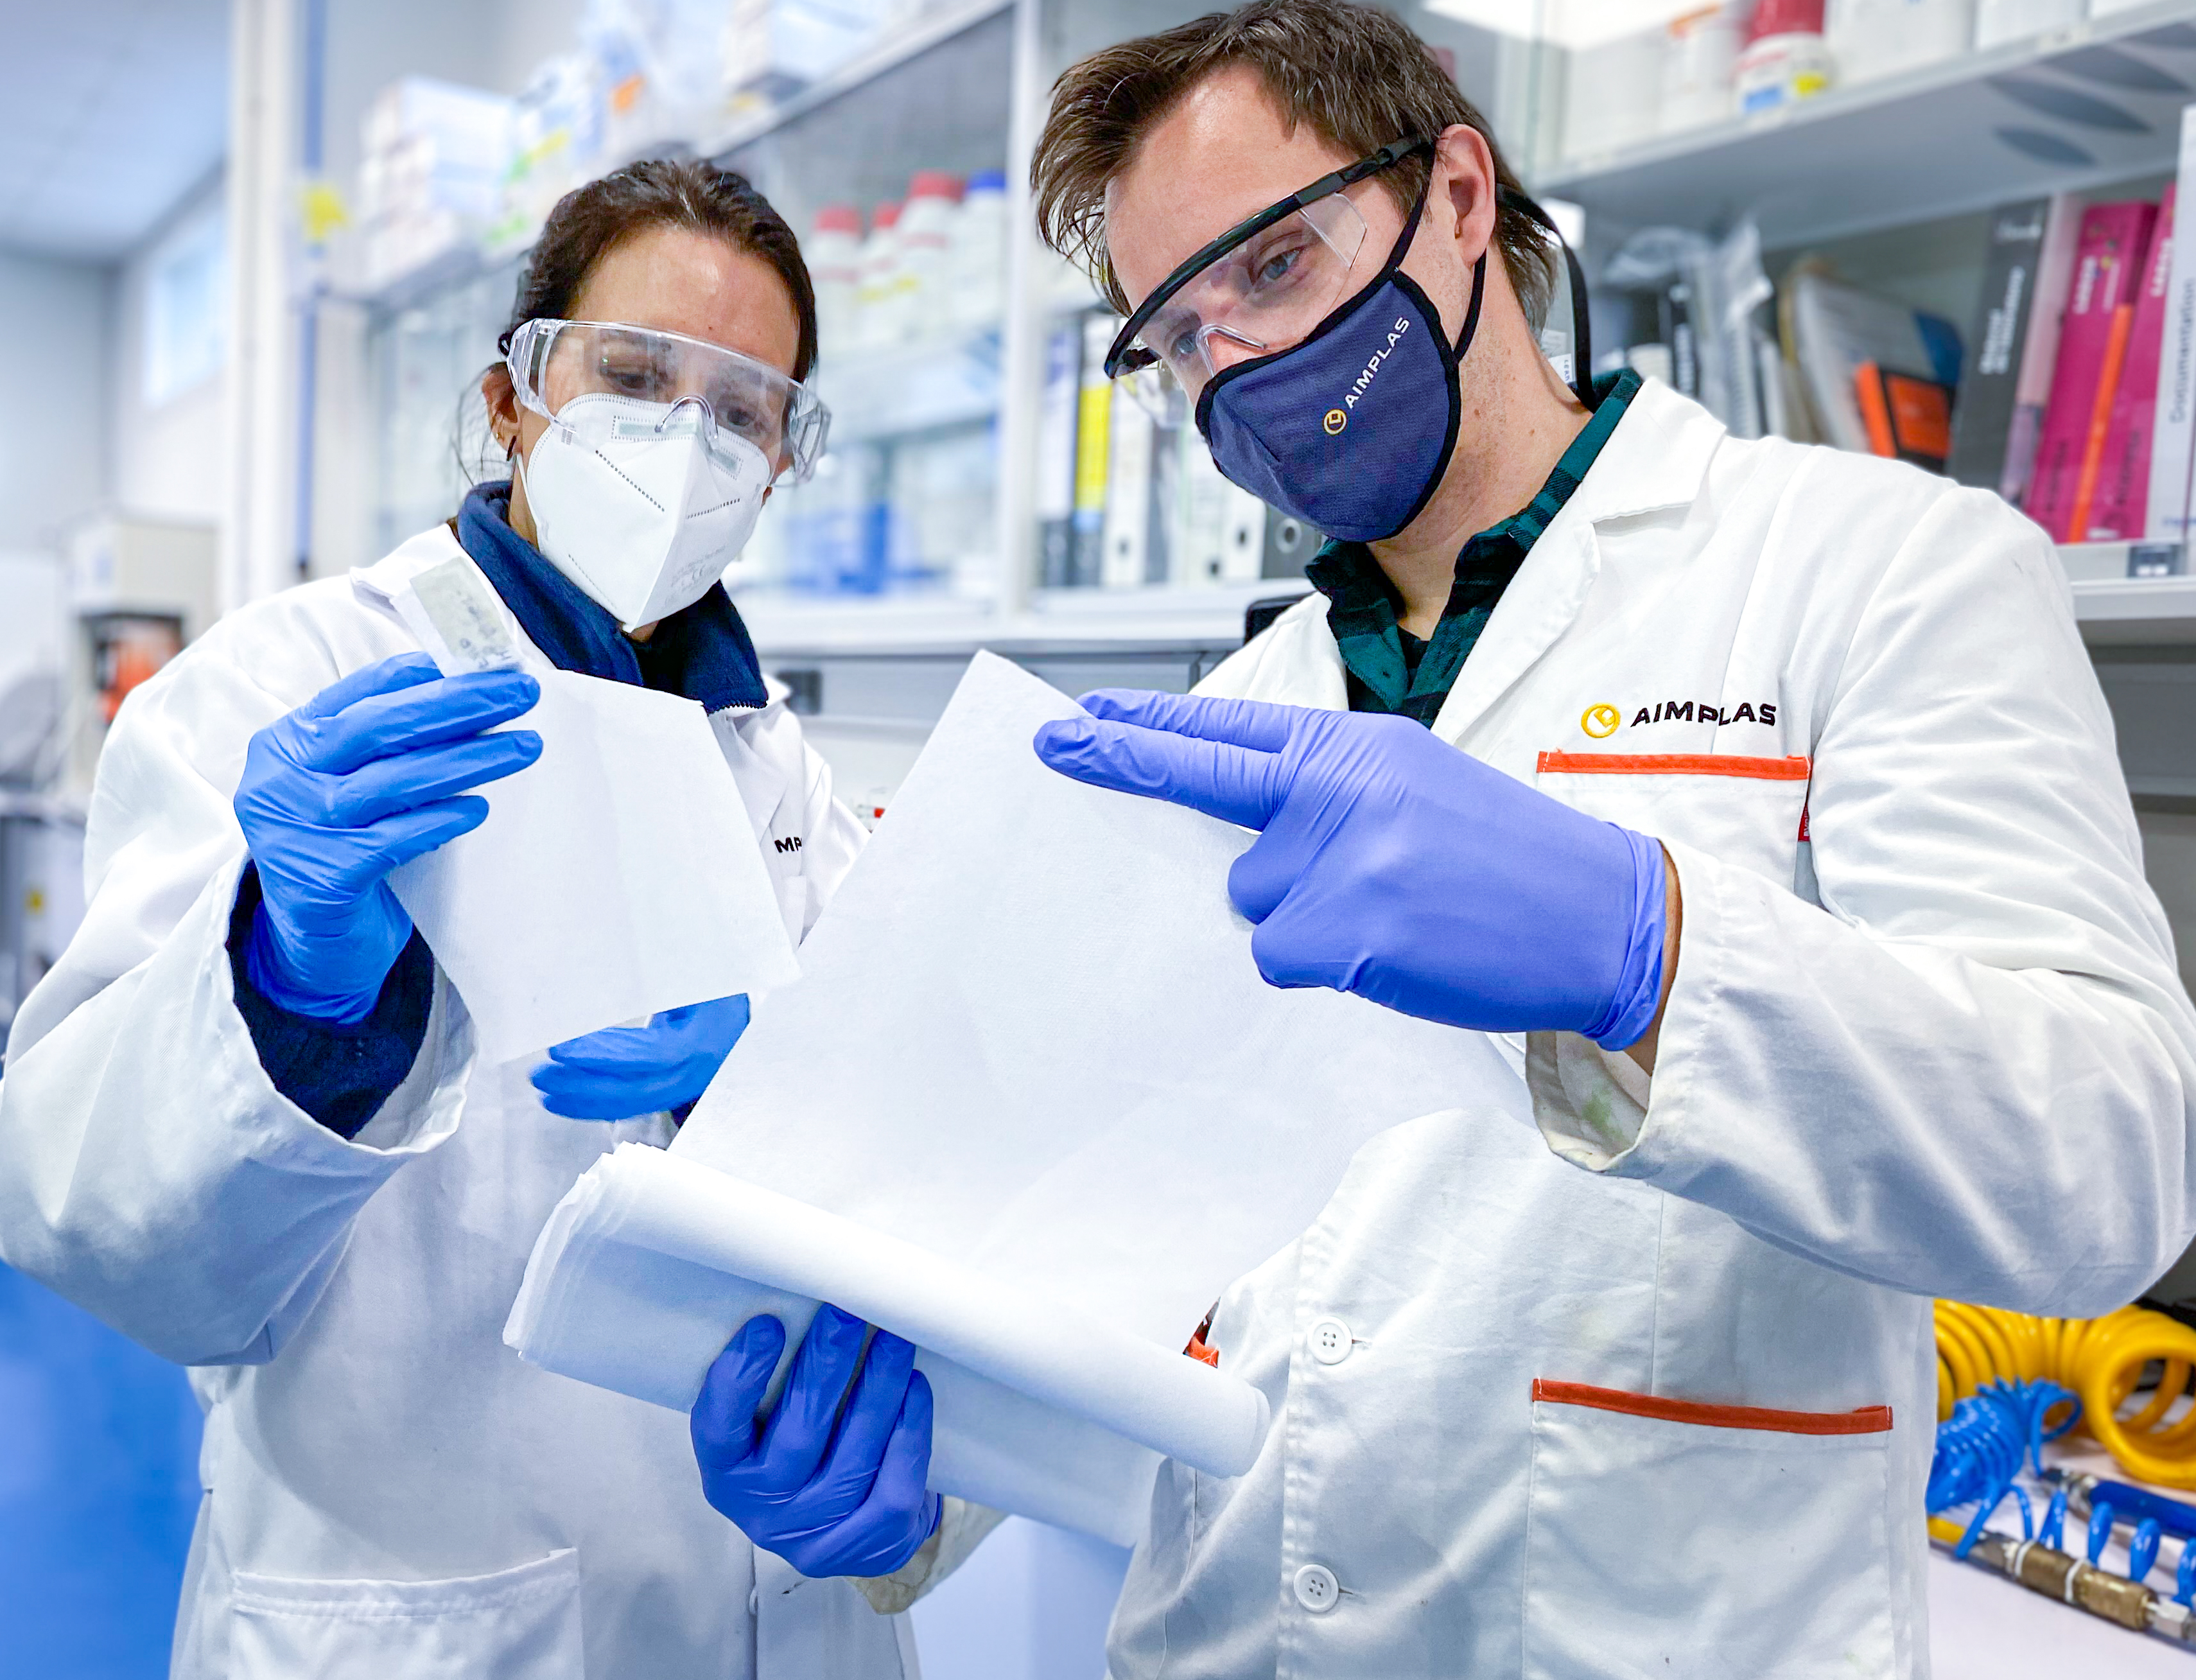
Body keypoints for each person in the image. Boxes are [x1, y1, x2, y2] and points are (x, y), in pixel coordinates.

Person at [688, 6, 2196, 1676]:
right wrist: (916, 1489)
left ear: (1459, 194)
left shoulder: (1875, 568)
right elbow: (1117, 1244)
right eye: (1175, 338)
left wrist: (1643, 953)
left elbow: (2107, 1162)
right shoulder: (1235, 712)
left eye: (1274, 266)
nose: (1234, 369)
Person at [0, 160, 925, 1678]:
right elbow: (80, 1220)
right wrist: (289, 997)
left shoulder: (780, 770)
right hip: (424, 1614)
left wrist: (782, 1092)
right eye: (632, 379)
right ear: (511, 400)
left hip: (773, 1614)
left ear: (780, 462)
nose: (686, 442)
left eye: (743, 411)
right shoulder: (286, 686)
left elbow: (915, 1185)